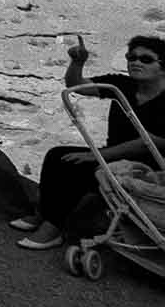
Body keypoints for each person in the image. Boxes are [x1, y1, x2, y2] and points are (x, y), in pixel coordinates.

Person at [11, 34, 165, 249]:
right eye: (132, 57)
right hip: (114, 155)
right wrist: (77, 63)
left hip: (147, 165)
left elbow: (150, 142)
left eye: (146, 59)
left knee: (79, 168)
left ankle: (53, 228)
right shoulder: (122, 85)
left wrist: (96, 155)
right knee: (57, 155)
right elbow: (78, 85)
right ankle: (43, 214)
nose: (136, 62)